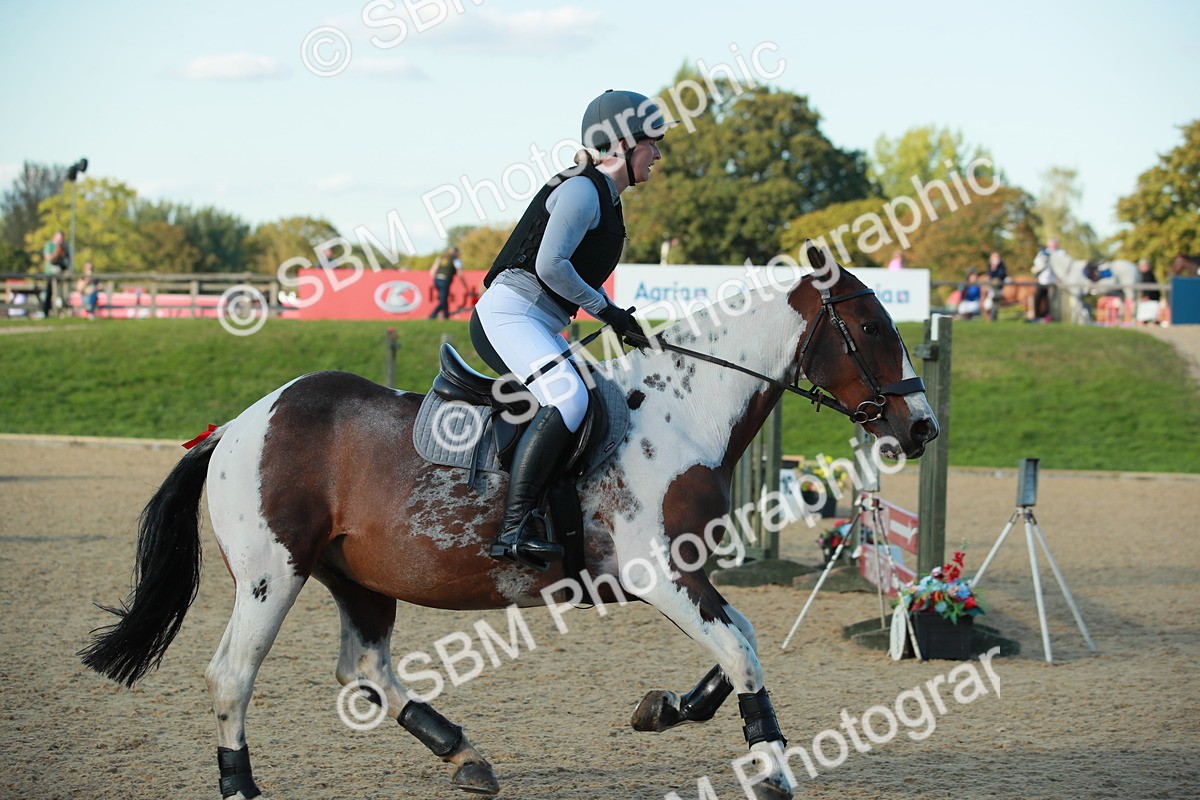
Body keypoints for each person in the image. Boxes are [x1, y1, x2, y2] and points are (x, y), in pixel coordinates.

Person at [469, 89, 668, 570]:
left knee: (598, 398)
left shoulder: (606, 197)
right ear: (623, 143)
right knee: (570, 398)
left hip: (538, 319)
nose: (658, 155)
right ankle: (512, 529)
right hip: (509, 315)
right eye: (653, 144)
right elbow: (551, 265)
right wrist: (609, 312)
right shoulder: (582, 188)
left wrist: (619, 318)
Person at [428, 246, 463, 320]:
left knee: (444, 298)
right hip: (445, 280)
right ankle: (432, 316)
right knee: (443, 301)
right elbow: (460, 274)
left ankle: (446, 316)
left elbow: (432, 272)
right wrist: (465, 284)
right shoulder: (456, 260)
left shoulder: (441, 258)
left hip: (437, 280)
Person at [1028, 239, 1059, 322]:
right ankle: (1037, 316)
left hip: (1052, 282)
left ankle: (1048, 316)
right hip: (1042, 280)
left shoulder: (1058, 253)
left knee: (1050, 300)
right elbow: (1037, 263)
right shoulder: (1042, 253)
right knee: (1038, 298)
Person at [41, 230, 70, 317]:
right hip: (50, 273)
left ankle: (62, 311)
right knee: (49, 292)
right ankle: (46, 311)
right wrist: (56, 253)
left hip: (61, 274)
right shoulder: (49, 245)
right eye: (59, 238)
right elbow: (48, 258)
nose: (61, 240)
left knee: (62, 293)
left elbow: (67, 260)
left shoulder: (65, 246)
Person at [985, 251, 1007, 321]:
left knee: (995, 301)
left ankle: (993, 317)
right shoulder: (991, 266)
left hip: (998, 286)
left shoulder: (1001, 266)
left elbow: (1001, 275)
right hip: (992, 287)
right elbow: (990, 276)